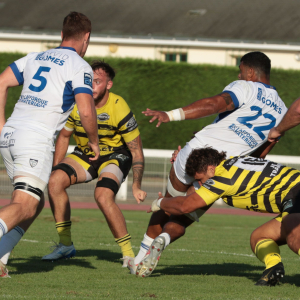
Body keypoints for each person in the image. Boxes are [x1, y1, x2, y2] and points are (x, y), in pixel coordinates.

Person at [129, 51, 288, 273]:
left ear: (250, 72)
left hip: (194, 151)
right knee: (185, 216)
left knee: (167, 204)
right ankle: (164, 239)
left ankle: (138, 258)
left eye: (240, 70)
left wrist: (171, 115)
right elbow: (260, 155)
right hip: (222, 170)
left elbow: (215, 104)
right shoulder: (283, 112)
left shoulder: (246, 86)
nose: (239, 74)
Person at [0, 12, 100, 278]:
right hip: (35, 138)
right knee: (27, 203)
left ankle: (0, 256)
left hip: (10, 135)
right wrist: (93, 141)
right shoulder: (79, 66)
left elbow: (1, 82)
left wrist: (1, 126)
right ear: (86, 37)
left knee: (33, 201)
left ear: (62, 34)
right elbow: (86, 110)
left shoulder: (35, 57)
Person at [139, 147, 300, 286]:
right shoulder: (234, 160)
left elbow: (185, 206)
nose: (201, 185)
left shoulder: (222, 178)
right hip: (293, 196)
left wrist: (160, 202)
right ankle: (273, 268)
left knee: (294, 237)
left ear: (210, 168)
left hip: (295, 193)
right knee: (260, 237)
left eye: (200, 180)